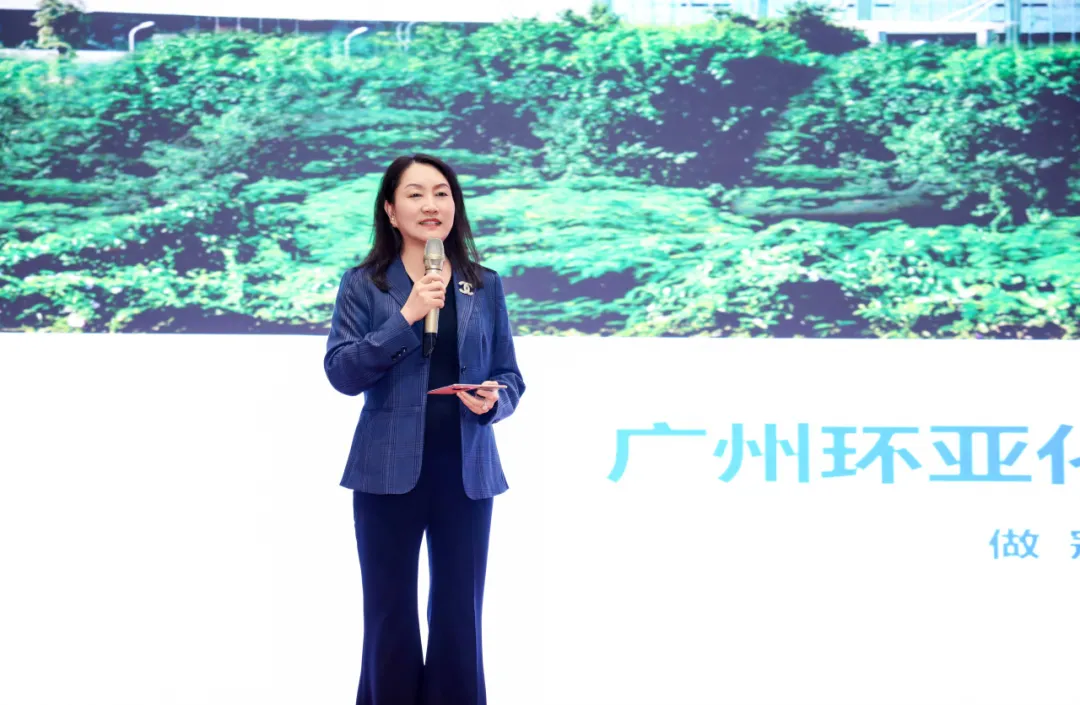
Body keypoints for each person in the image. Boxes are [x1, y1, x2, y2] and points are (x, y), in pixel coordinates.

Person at [323, 154, 525, 705]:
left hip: (466, 473)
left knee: (460, 614)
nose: (430, 204)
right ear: (390, 210)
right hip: (385, 472)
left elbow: (510, 376)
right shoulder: (364, 284)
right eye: (414, 194)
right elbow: (342, 373)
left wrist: (493, 401)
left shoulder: (483, 284)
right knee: (388, 613)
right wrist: (406, 316)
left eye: (441, 193)